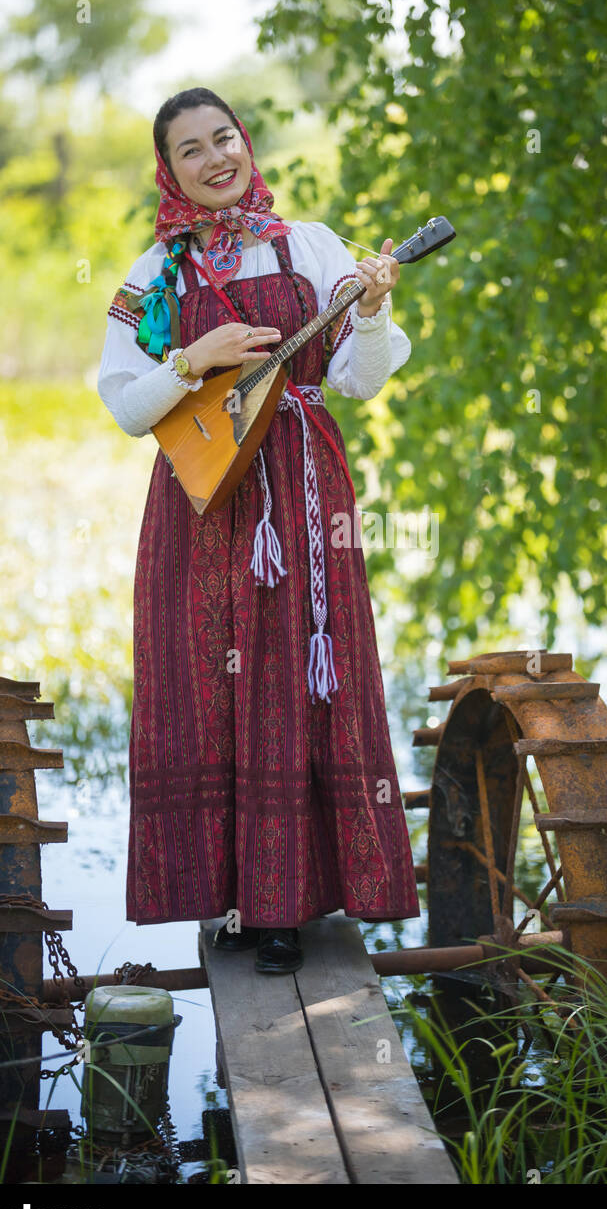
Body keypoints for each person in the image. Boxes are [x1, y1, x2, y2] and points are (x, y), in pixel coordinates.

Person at [96, 86, 420, 975]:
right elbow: (128, 409)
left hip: (304, 494)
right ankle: (233, 895)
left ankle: (285, 908)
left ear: (247, 142)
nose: (215, 159)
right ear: (170, 169)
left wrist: (375, 308)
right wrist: (192, 359)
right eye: (191, 149)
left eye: (224, 138)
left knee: (293, 672)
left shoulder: (303, 245)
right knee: (206, 676)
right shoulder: (151, 275)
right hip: (201, 499)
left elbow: (357, 379)